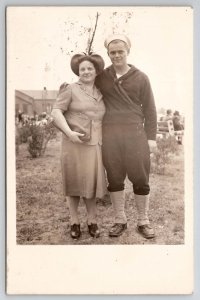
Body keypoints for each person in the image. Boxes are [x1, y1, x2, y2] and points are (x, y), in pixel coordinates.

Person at [95, 34, 157, 239]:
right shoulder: (102, 76)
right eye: (112, 52)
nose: (116, 55)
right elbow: (85, 82)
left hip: (135, 134)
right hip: (110, 134)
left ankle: (143, 221)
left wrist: (151, 138)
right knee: (113, 177)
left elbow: (150, 109)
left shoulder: (141, 77)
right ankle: (120, 219)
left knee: (140, 177)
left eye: (120, 51)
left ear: (128, 51)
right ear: (108, 54)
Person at [51, 53, 107, 239]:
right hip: (73, 144)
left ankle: (92, 221)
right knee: (74, 182)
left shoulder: (100, 92)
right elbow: (56, 112)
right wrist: (69, 133)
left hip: (94, 145)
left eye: (90, 68)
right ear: (78, 71)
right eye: (82, 69)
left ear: (96, 71)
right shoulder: (70, 89)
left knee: (91, 184)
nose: (86, 71)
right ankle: (74, 221)